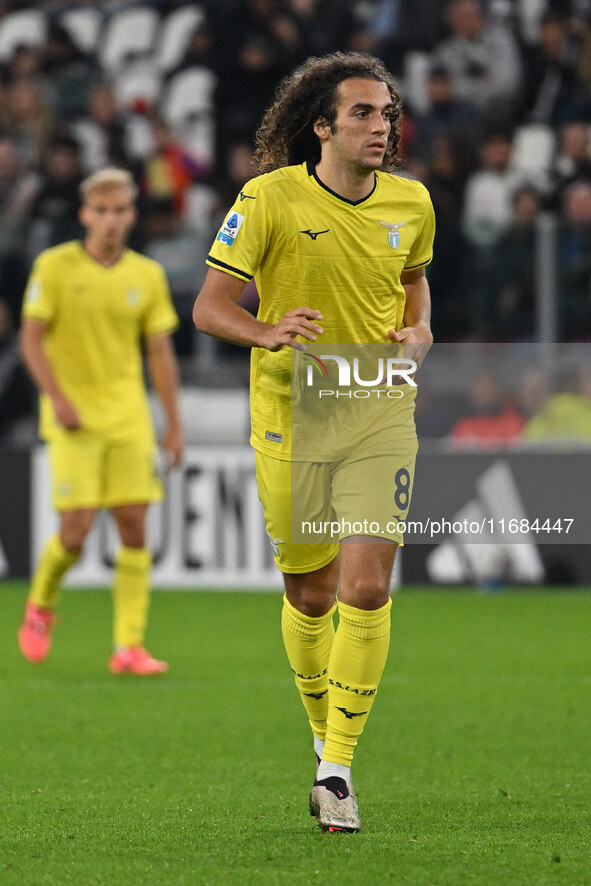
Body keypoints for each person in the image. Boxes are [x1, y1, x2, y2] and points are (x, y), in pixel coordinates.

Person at [193, 52, 434, 832]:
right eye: (363, 113)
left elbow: (412, 277)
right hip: (290, 413)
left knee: (365, 588)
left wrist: (420, 327)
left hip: (375, 405)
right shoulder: (267, 199)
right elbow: (209, 307)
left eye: (388, 113)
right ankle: (320, 736)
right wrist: (265, 330)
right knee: (311, 593)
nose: (381, 126)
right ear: (321, 126)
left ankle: (336, 770)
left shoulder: (412, 201)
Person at [18, 167, 183, 675]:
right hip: (72, 418)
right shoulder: (54, 266)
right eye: (101, 211)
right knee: (76, 530)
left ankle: (127, 646)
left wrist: (172, 424)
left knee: (135, 525)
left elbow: (159, 353)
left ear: (132, 215)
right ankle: (41, 603)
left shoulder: (146, 275)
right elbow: (31, 339)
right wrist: (57, 398)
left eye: (120, 211)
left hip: (128, 416)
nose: (111, 221)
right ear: (85, 214)